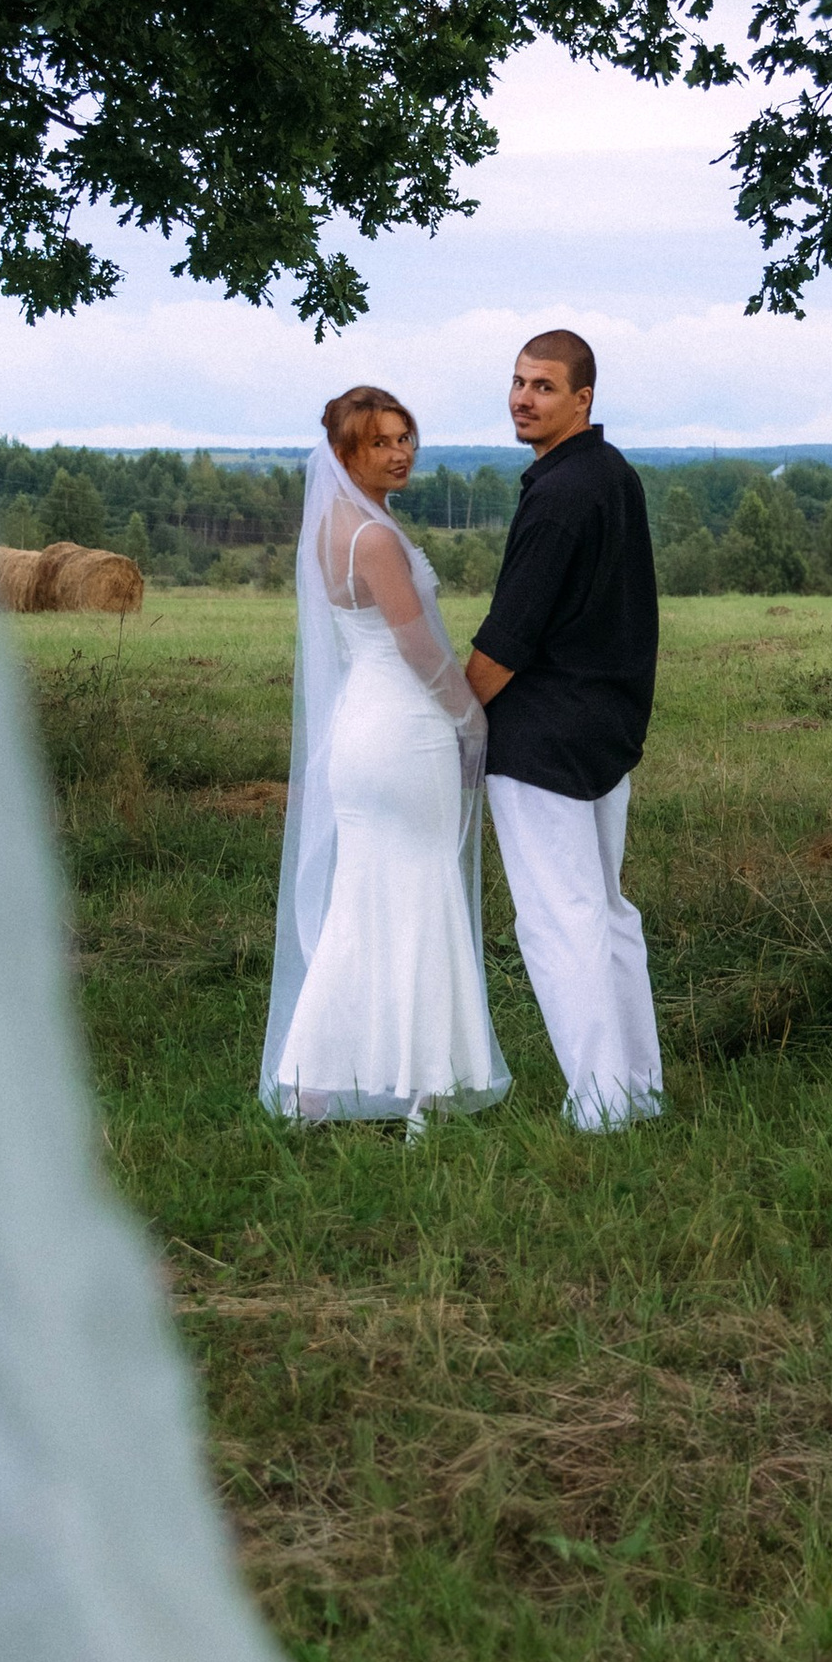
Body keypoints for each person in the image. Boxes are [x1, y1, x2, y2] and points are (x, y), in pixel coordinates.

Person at [261, 387, 510, 1136]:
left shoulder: (336, 527)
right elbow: (419, 647)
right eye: (379, 443)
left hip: (362, 731)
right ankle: (424, 1093)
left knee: (362, 907)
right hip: (405, 728)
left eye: (405, 438)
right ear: (344, 454)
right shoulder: (373, 538)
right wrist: (470, 719)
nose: (400, 453)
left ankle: (312, 1086)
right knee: (424, 894)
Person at [464, 332, 662, 1130]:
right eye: (516, 381)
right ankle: (638, 1088)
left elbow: (508, 638)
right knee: (607, 912)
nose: (522, 398)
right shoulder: (611, 474)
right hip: (606, 730)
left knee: (559, 921)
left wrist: (451, 722)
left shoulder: (559, 495)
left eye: (543, 386)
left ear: (583, 399)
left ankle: (601, 1102)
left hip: (542, 737)